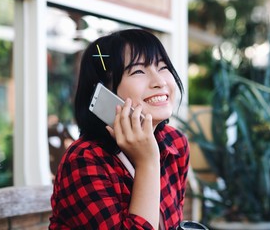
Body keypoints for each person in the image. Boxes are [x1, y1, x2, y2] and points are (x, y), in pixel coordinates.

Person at [49, 28, 190, 229]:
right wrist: (147, 162)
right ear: (104, 91)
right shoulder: (84, 161)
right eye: (138, 71)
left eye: (163, 67)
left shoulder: (175, 143)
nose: (159, 82)